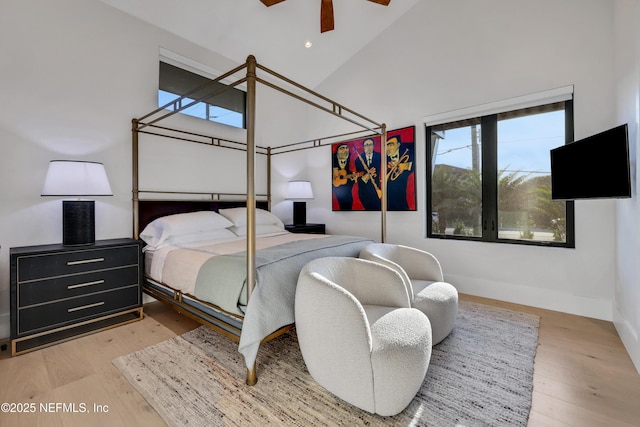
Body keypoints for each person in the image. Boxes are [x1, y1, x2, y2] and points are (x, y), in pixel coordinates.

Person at [386, 135, 414, 210]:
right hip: (389, 196)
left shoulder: (409, 151)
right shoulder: (384, 158)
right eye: (386, 145)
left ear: (398, 145)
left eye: (390, 145)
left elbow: (419, 164)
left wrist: (406, 166)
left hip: (403, 192)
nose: (387, 148)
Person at [354, 138, 381, 210]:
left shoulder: (380, 156)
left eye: (370, 145)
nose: (368, 147)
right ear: (363, 147)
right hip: (364, 192)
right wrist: (368, 175)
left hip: (377, 191)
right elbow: (360, 179)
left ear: (373, 146)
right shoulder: (358, 160)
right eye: (366, 145)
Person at [332, 143, 356, 210]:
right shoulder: (332, 159)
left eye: (346, 148)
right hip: (336, 187)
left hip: (347, 188)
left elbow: (351, 173)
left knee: (349, 203)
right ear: (337, 151)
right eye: (342, 148)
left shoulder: (351, 159)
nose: (345, 150)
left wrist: (353, 178)